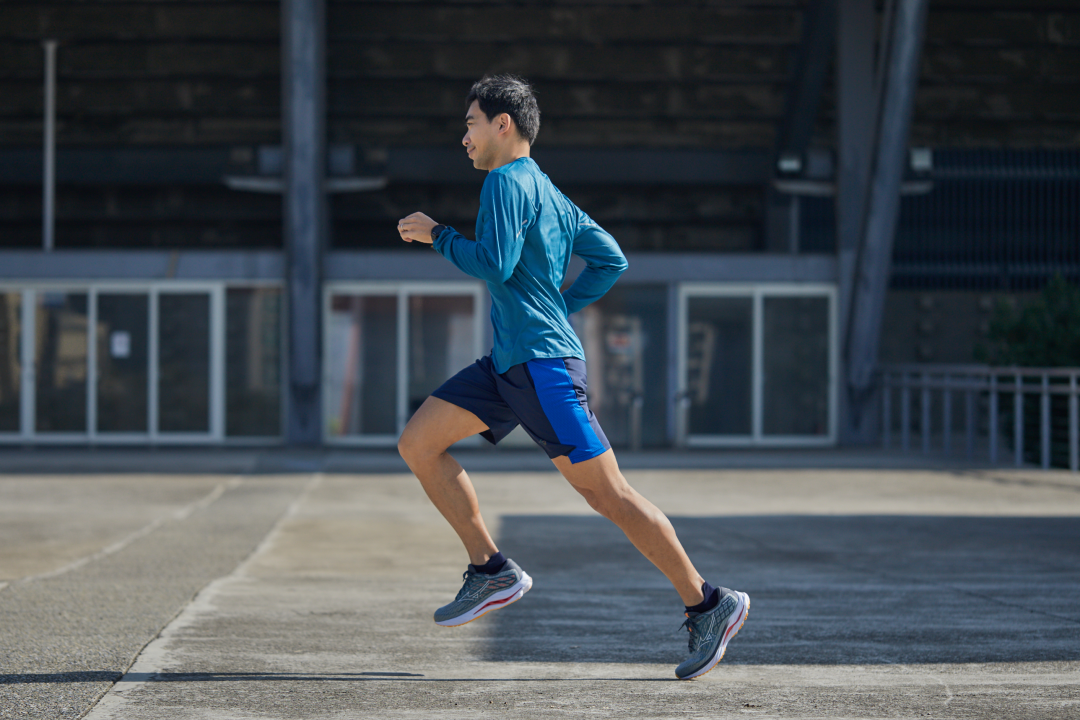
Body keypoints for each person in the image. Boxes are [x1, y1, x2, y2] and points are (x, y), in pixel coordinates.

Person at [396, 74, 748, 680]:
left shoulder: (506, 181)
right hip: (508, 364)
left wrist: (437, 235)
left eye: (471, 124)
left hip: (543, 368)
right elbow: (611, 259)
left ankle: (709, 603)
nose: (465, 138)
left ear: (502, 124)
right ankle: (491, 570)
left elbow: (495, 262)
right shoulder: (551, 194)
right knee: (418, 443)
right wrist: (558, 307)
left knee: (608, 494)